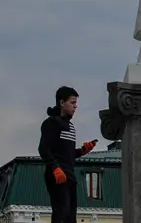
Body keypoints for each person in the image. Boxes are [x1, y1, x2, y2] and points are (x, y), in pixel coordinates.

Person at [39, 86, 98, 223]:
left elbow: (68, 153)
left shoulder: (70, 126)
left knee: (71, 216)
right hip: (58, 174)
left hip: (69, 174)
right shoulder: (51, 123)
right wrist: (55, 167)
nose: (75, 106)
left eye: (75, 103)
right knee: (62, 212)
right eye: (72, 103)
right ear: (61, 103)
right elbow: (43, 148)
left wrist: (82, 151)